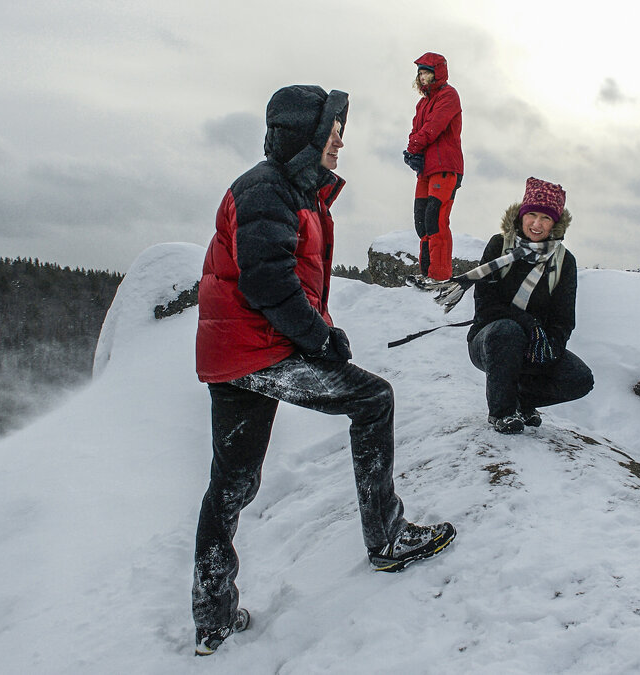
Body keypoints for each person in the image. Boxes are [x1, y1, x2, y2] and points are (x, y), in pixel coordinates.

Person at [192, 84, 456, 656]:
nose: (341, 142)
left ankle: (212, 619)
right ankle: (387, 539)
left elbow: (279, 273)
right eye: (333, 132)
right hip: (259, 349)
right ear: (307, 135)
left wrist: (314, 329)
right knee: (372, 400)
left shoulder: (289, 188)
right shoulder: (268, 189)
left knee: (233, 483)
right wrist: (321, 338)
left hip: (236, 353)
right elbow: (267, 281)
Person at [432, 177, 593, 433]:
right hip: (491, 341)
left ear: (556, 224)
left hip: (535, 345)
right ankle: (502, 412)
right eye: (532, 215)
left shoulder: (564, 261)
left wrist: (549, 347)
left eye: (546, 218)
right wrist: (529, 325)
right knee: (508, 330)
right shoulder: (500, 246)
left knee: (580, 379)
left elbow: (564, 318)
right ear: (522, 214)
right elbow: (486, 307)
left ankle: (520, 401)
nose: (537, 224)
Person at [403, 52, 463, 286]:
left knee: (436, 218)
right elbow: (416, 129)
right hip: (426, 169)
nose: (422, 76)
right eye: (420, 72)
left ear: (438, 72)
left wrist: (413, 148)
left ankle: (440, 276)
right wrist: (414, 154)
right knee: (421, 220)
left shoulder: (449, 95)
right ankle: (427, 273)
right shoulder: (422, 103)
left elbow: (433, 127)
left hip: (446, 166)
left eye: (427, 71)